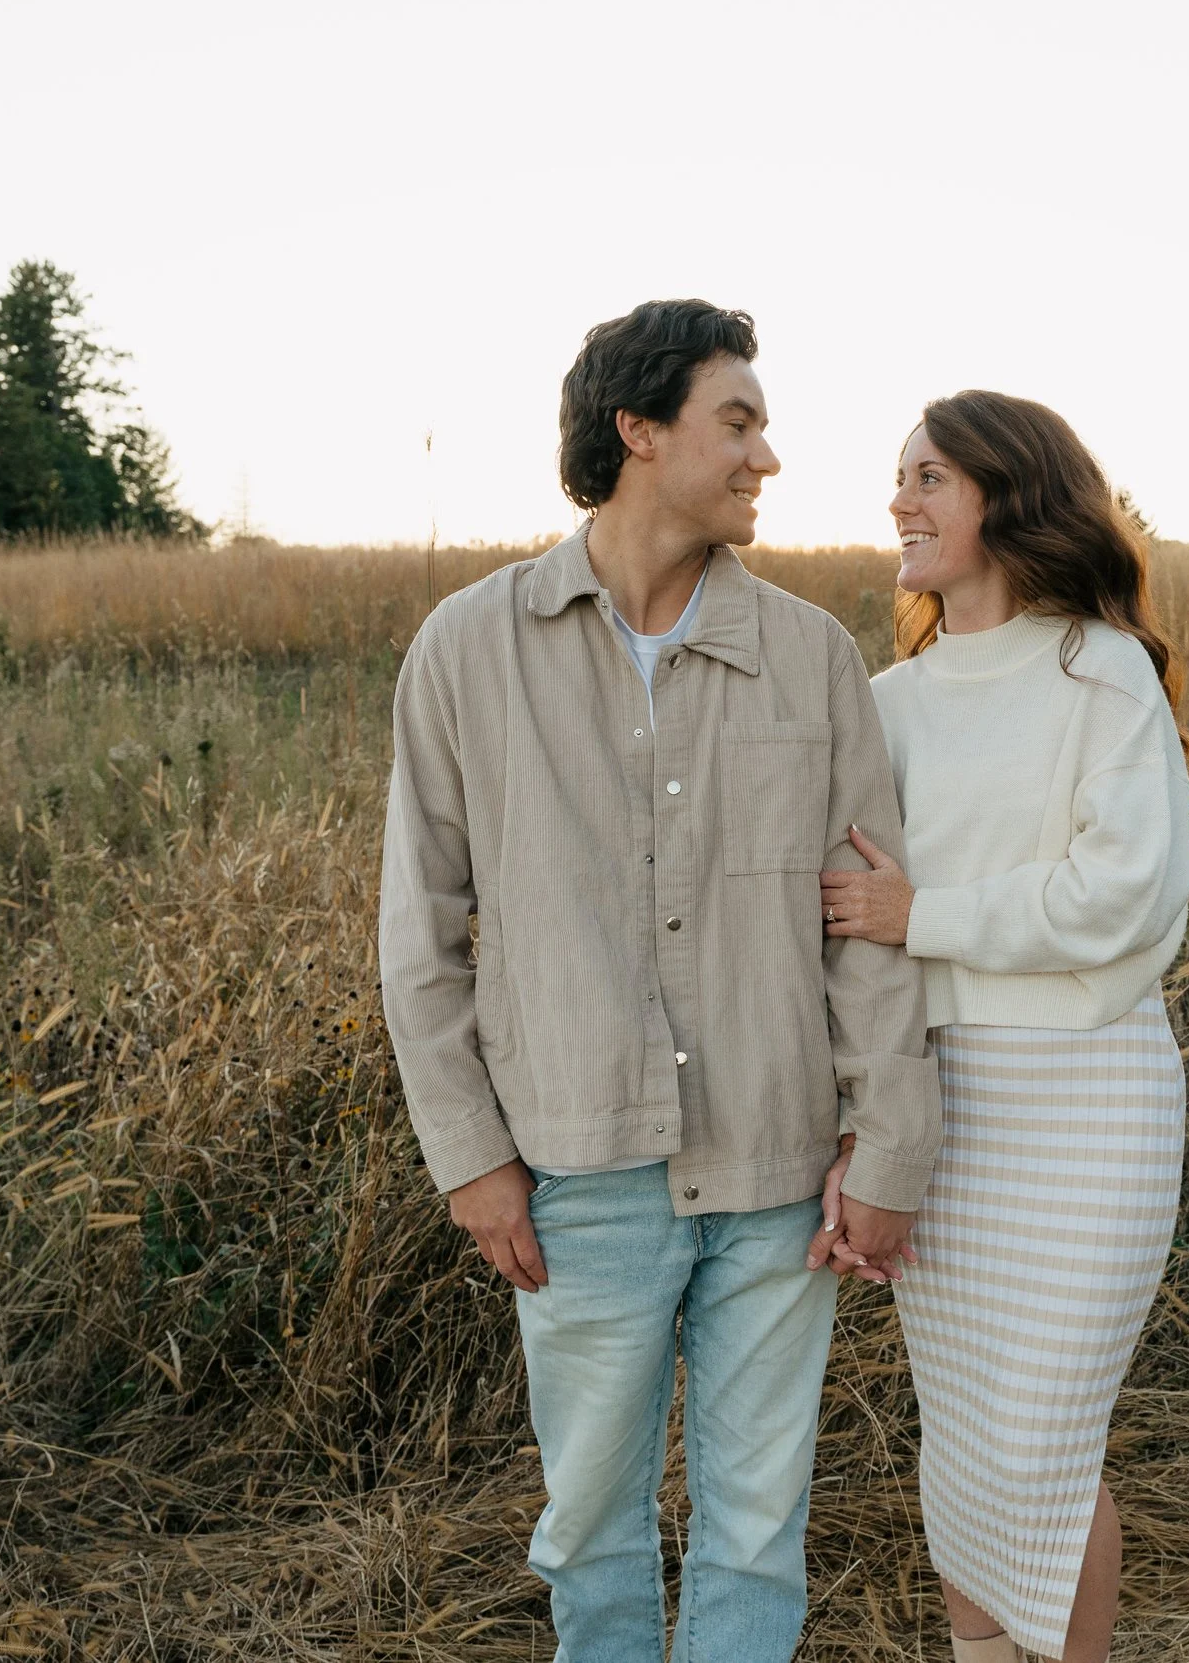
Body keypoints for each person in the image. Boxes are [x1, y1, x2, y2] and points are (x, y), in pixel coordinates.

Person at [377, 298, 942, 1663]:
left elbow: (865, 927)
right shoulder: (469, 647)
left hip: (779, 1174)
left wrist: (886, 1142)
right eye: (736, 420)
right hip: (576, 1172)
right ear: (639, 430)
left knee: (758, 1526)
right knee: (587, 1526)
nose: (767, 455)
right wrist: (469, 1155)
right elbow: (420, 928)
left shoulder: (810, 657)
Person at [818, 390, 1189, 1663]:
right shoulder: (887, 700)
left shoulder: (1103, 670)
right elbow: (840, 935)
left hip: (1086, 1101)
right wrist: (861, 1124)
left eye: (928, 477)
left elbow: (1122, 892)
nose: (900, 502)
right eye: (899, 477)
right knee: (972, 1434)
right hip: (943, 1105)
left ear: (1008, 492)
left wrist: (926, 913)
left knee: (1042, 1433)